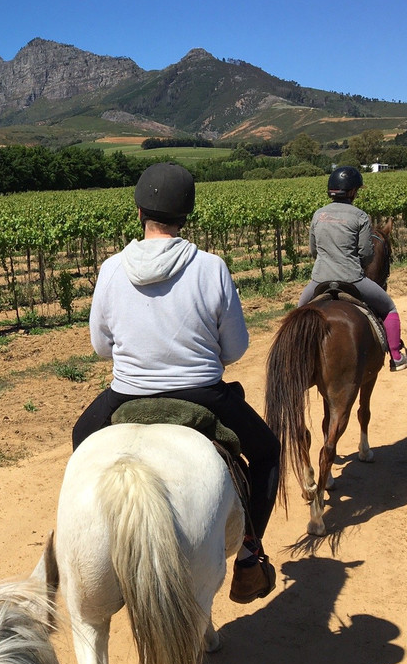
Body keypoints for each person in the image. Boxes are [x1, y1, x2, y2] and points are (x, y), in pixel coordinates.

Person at [71, 161, 279, 604]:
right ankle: (247, 554)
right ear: (187, 215)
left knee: (81, 438)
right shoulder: (211, 267)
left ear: (139, 211)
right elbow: (235, 347)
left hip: (126, 391)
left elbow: (100, 347)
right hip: (204, 391)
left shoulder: (110, 269)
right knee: (266, 453)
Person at [297, 166, 407, 371]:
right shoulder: (360, 216)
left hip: (319, 279)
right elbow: (366, 254)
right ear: (352, 191)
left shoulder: (318, 215)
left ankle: (296, 359)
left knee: (298, 315)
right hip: (352, 279)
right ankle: (396, 357)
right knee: (389, 308)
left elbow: (314, 250)